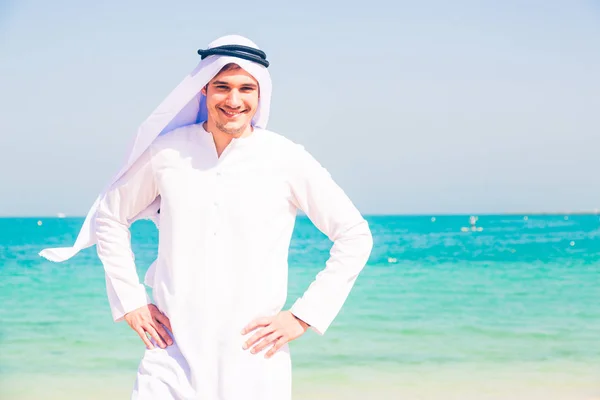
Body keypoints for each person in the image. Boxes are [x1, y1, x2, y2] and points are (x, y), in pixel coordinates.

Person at [41, 35, 373, 400]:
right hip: (169, 354)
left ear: (260, 95)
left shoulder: (286, 158)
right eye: (222, 87)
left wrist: (303, 316)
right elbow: (110, 217)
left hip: (254, 357)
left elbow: (355, 235)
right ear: (203, 91)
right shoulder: (166, 152)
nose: (234, 100)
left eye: (246, 88)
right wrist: (131, 300)